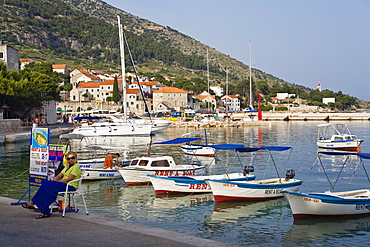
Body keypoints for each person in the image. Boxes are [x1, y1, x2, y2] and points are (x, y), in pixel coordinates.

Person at [21, 151, 82, 219]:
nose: (71, 160)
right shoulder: (67, 166)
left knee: (46, 185)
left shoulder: (76, 166)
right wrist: (53, 180)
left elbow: (69, 179)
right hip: (63, 185)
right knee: (47, 188)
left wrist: (58, 182)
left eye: (72, 158)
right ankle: (43, 211)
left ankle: (33, 203)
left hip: (70, 186)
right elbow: (59, 176)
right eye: (68, 158)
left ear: (75, 158)